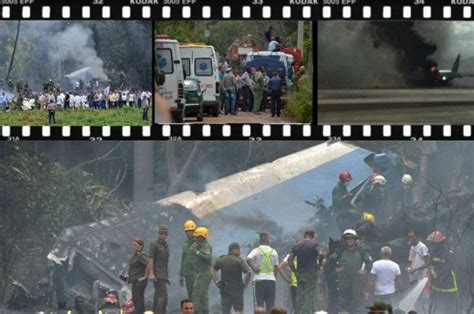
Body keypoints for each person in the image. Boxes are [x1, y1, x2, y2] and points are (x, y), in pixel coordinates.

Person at [329, 229, 373, 314]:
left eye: (351, 238)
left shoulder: (361, 251)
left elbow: (369, 262)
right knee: (343, 303)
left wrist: (364, 271)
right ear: (345, 240)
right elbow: (331, 260)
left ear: (354, 240)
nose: (349, 240)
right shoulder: (340, 251)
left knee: (356, 303)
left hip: (356, 282)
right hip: (343, 281)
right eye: (347, 239)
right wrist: (336, 269)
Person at [287, 229, 323, 314]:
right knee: (308, 296)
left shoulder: (296, 245)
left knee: (299, 295)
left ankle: (297, 312)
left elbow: (289, 259)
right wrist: (319, 265)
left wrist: (294, 271)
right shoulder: (314, 244)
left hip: (299, 274)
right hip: (310, 274)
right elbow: (321, 253)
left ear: (304, 235)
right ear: (313, 236)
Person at [212, 242, 251, 314]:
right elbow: (248, 272)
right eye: (239, 249)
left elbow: (212, 270)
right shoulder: (239, 260)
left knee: (225, 311)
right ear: (234, 250)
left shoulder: (221, 260)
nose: (240, 251)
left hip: (225, 290)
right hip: (237, 290)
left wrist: (217, 282)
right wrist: (245, 284)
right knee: (239, 311)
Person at [246, 233, 279, 313]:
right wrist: (273, 278)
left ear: (260, 240)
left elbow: (247, 259)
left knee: (259, 305)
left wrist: (254, 269)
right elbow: (276, 267)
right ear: (268, 240)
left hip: (259, 280)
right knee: (270, 305)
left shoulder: (256, 250)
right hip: (271, 281)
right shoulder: (274, 252)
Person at [427, 231, 458, 314]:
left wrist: (436, 273)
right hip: (436, 285)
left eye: (434, 243)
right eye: (431, 242)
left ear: (440, 243)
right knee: (435, 307)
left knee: (449, 309)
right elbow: (430, 264)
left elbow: (448, 268)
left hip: (448, 285)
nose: (432, 244)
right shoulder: (433, 251)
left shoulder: (447, 252)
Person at [147, 225, 170, 314]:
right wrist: (151, 273)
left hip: (163, 274)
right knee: (163, 296)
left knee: (158, 295)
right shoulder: (154, 244)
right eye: (161, 233)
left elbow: (165, 261)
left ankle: (155, 311)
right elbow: (151, 259)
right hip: (157, 273)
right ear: (158, 233)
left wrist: (167, 275)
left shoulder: (166, 246)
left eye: (165, 234)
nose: (163, 235)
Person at [190, 226, 212, 314]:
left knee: (196, 294)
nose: (194, 238)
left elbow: (207, 257)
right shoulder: (199, 246)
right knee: (203, 296)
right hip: (201, 273)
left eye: (196, 236)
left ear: (200, 237)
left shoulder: (206, 246)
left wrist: (197, 253)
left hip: (204, 274)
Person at [127, 238, 148, 314]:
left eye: (136, 245)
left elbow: (149, 264)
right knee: (136, 299)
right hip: (135, 281)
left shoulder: (142, 255)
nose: (134, 247)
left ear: (141, 246)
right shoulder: (136, 255)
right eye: (133, 245)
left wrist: (145, 276)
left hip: (140, 281)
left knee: (139, 300)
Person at [180, 220, 197, 298]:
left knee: (197, 295)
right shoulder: (185, 245)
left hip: (196, 274)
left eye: (190, 231)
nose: (188, 233)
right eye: (187, 231)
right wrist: (181, 275)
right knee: (190, 295)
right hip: (188, 275)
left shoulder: (199, 243)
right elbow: (183, 260)